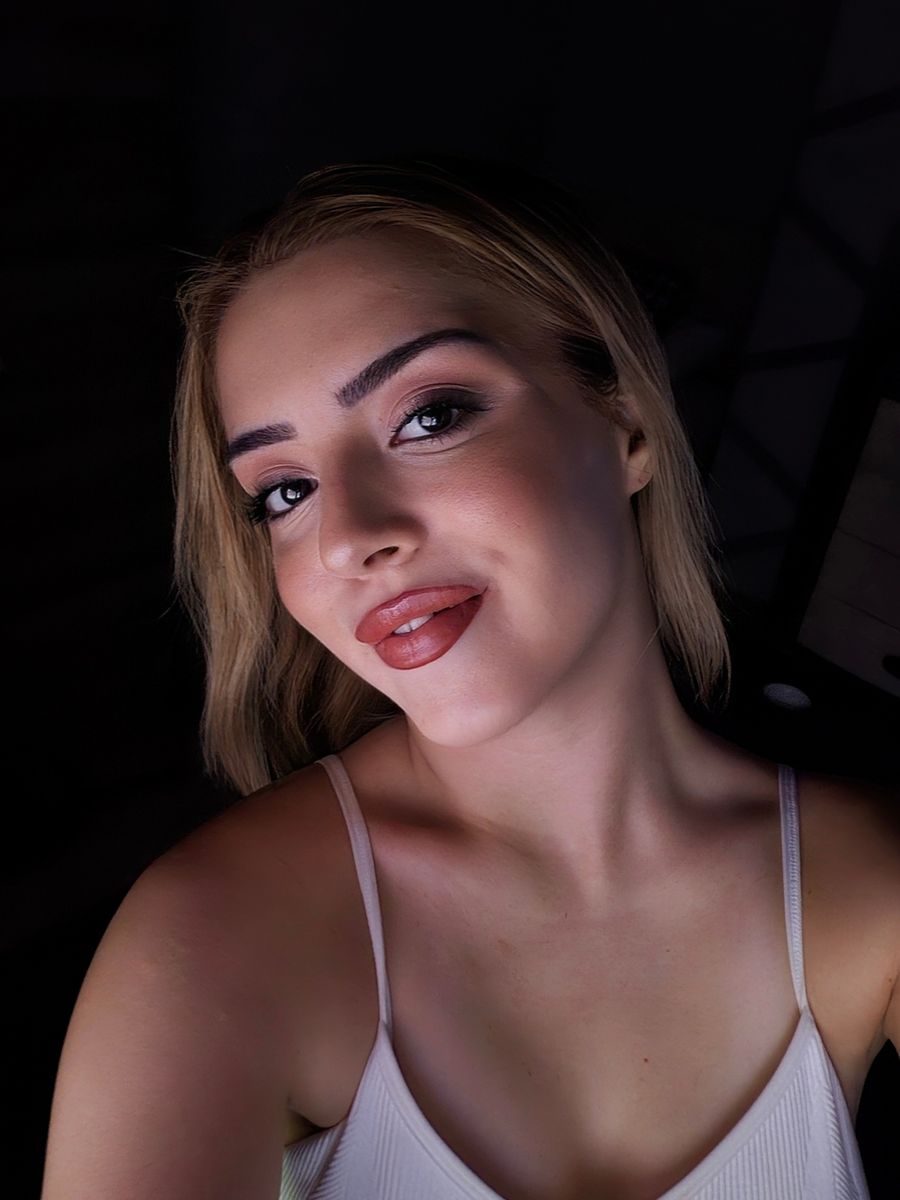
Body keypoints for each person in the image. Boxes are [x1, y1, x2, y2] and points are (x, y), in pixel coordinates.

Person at [41, 156, 898, 1200]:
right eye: (285, 491)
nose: (349, 536)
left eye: (431, 416)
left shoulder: (870, 881)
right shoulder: (217, 938)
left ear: (627, 423)